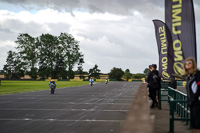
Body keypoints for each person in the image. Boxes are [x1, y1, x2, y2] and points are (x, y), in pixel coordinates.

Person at [184, 57, 200, 132]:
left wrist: (194, 98)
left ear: (193, 64)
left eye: (189, 62)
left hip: (197, 102)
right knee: (193, 123)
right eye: (186, 63)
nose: (187, 64)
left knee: (198, 124)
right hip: (192, 103)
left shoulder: (197, 74)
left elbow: (199, 87)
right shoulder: (189, 76)